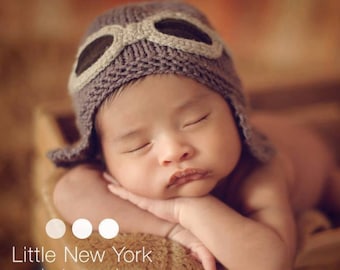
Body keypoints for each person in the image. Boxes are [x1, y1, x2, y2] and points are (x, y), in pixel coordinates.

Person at [48, 1, 340, 269]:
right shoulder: (113, 171)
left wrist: (183, 210)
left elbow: (270, 262)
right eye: (138, 145)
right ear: (103, 157)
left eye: (195, 121)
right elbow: (69, 191)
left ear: (235, 113)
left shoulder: (260, 172)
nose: (174, 151)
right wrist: (171, 229)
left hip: (318, 166)